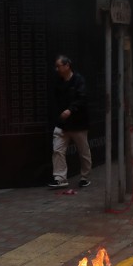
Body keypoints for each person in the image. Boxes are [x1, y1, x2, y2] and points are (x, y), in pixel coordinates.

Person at [49, 55, 92, 189]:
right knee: (58, 149)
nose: (57, 69)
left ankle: (85, 177)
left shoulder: (79, 80)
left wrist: (70, 110)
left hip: (78, 123)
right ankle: (60, 178)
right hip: (63, 123)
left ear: (67, 66)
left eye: (59, 66)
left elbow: (82, 98)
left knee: (83, 152)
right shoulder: (58, 82)